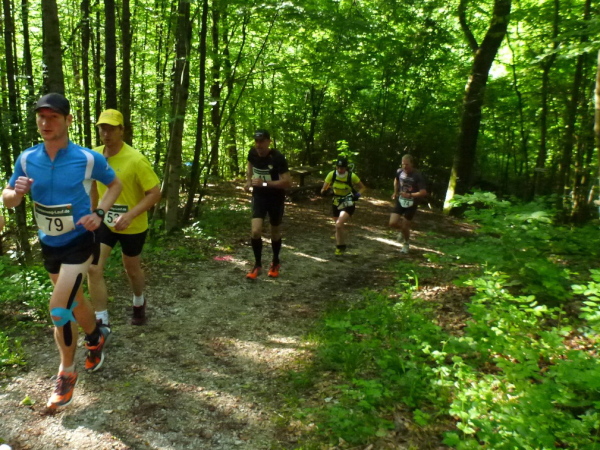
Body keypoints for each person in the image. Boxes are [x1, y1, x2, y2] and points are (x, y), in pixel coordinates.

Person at [2, 93, 122, 409]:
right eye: (41, 117)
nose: (46, 122)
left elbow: (115, 185)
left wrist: (99, 214)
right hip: (49, 242)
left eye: (53, 117)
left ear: (68, 120)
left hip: (79, 241)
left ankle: (66, 372)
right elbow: (8, 197)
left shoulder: (88, 159)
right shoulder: (27, 158)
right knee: (74, 299)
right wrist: (16, 194)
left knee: (58, 308)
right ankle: (96, 337)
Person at [87, 109, 161, 327]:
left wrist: (130, 214)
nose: (106, 134)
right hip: (104, 221)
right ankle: (101, 320)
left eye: (111, 129)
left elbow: (154, 193)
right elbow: (93, 186)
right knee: (93, 267)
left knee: (132, 270)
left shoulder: (136, 160)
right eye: (102, 129)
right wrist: (93, 212)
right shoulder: (94, 156)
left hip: (133, 224)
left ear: (122, 130)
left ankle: (139, 301)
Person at [244, 129, 291, 279]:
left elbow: (287, 182)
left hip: (275, 198)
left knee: (274, 232)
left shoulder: (278, 158)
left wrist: (264, 184)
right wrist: (248, 181)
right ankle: (257, 264)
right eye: (256, 141)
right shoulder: (252, 153)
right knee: (255, 231)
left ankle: (275, 262)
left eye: (262, 141)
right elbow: (250, 165)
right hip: (259, 196)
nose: (258, 145)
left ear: (268, 142)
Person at [320, 157, 366, 256]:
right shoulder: (331, 174)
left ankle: (339, 247)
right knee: (338, 227)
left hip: (348, 202)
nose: (340, 170)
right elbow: (323, 189)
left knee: (338, 224)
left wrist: (358, 195)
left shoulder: (351, 176)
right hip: (336, 202)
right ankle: (341, 245)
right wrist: (326, 192)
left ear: (346, 168)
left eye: (342, 168)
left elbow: (363, 187)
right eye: (338, 167)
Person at [389, 154, 427, 254]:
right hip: (400, 200)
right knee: (392, 223)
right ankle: (403, 231)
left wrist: (410, 195)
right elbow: (396, 180)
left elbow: (423, 192)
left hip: (412, 203)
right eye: (403, 164)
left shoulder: (417, 175)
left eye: (407, 164)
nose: (404, 166)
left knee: (405, 225)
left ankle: (406, 243)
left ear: (412, 164)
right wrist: (395, 192)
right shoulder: (399, 171)